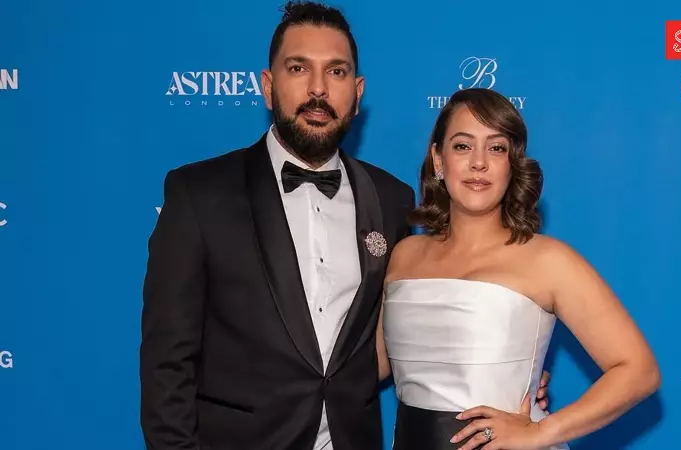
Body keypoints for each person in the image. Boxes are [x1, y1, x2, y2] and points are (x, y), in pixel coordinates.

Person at [139, 2, 552, 450]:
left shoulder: (391, 199)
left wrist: (505, 371)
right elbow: (167, 366)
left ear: (357, 93)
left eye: (336, 72)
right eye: (299, 68)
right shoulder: (199, 194)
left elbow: (407, 330)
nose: (318, 88)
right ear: (268, 86)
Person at [380, 88, 661, 450]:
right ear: (438, 159)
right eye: (463, 146)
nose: (479, 162)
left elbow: (639, 370)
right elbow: (369, 365)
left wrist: (542, 432)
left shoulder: (548, 260)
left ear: (512, 164)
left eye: (496, 148)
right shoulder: (404, 255)